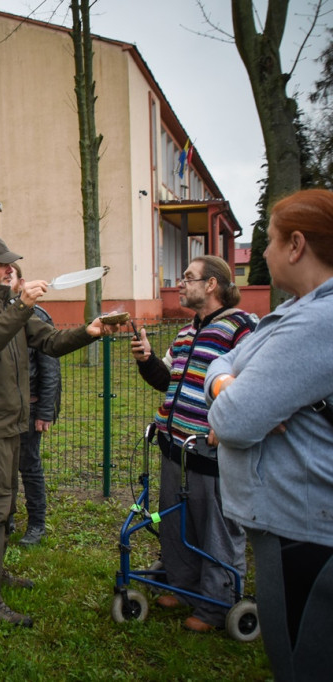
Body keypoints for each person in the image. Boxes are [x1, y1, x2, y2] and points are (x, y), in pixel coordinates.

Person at [0, 235, 120, 627]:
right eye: (2, 264)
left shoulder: (11, 307)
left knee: (5, 504)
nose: (10, 269)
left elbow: (52, 343)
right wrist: (22, 308)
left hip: (12, 422)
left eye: (11, 264)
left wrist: (88, 331)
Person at [205, 189, 333, 679]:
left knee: (302, 660)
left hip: (303, 530)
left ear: (297, 245)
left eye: (272, 241)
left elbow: (233, 421)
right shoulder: (297, 311)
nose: (262, 253)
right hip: (291, 519)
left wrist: (235, 396)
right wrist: (227, 383)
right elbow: (225, 362)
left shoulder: (316, 324)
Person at [130, 255, 254, 633]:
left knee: (216, 529)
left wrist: (229, 417)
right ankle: (184, 587)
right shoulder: (186, 332)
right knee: (176, 521)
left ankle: (217, 605)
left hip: (212, 452)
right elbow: (167, 380)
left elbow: (255, 378)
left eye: (188, 277)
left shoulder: (242, 327)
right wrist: (148, 359)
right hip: (174, 446)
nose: (180, 283)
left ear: (212, 284)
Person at [2, 263, 61, 547]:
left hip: (32, 407)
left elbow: (50, 368)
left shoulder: (37, 316)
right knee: (5, 466)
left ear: (20, 283)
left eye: (8, 276)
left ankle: (36, 524)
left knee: (29, 465)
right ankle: (7, 518)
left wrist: (45, 411)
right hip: (2, 408)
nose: (4, 280)